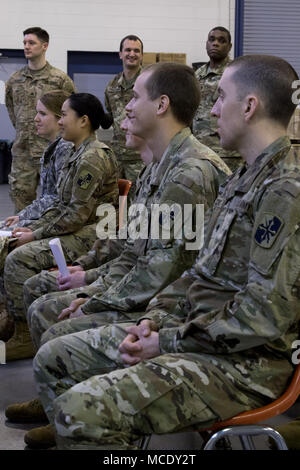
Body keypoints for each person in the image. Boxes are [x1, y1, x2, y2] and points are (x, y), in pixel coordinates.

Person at [25, 54, 300, 450]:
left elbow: (261, 318)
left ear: (250, 106)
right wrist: (154, 322)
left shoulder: (283, 189)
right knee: (56, 358)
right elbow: (197, 275)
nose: (214, 109)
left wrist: (165, 339)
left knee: (77, 410)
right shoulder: (247, 177)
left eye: (221, 97)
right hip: (198, 334)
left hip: (246, 364)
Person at [5, 63, 231, 439]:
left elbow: (162, 274)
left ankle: (74, 413)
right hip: (156, 294)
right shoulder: (160, 167)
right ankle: (60, 405)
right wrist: (91, 281)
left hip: (169, 306)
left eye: (135, 98)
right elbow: (131, 249)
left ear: (161, 105)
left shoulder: (190, 172)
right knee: (49, 304)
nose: (125, 109)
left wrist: (93, 298)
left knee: (54, 314)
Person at [1, 93, 119, 361]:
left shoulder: (92, 157)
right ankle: (12, 319)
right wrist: (30, 226)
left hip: (96, 233)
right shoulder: (76, 152)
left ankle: (23, 337)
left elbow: (76, 215)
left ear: (84, 121)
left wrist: (36, 233)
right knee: (12, 240)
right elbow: (59, 205)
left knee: (19, 258)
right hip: (80, 226)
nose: (61, 121)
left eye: (64, 115)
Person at [0, 89, 72, 340]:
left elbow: (58, 201)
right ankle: (6, 314)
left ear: (58, 118)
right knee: (3, 233)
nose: (35, 119)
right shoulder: (52, 149)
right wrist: (22, 216)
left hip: (64, 225)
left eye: (42, 114)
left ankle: (19, 329)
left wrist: (27, 222)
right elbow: (46, 197)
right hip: (50, 217)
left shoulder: (65, 151)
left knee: (9, 249)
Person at [5, 27, 76, 212]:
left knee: (54, 203)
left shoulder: (60, 80)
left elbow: (72, 112)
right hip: (23, 154)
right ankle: (20, 240)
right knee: (20, 204)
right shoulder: (14, 80)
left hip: (52, 151)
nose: (26, 47)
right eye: (24, 43)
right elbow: (13, 112)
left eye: (32, 43)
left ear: (44, 46)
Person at [192, 26, 242, 171]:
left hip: (226, 153)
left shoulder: (237, 73)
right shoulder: (197, 75)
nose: (215, 44)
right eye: (212, 39)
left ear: (230, 46)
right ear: (206, 43)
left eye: (222, 41)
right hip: (200, 150)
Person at [101, 34, 145, 200]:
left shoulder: (150, 83)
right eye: (127, 50)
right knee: (116, 204)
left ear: (141, 55)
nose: (131, 54)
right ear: (120, 54)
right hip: (118, 158)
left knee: (140, 204)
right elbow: (111, 117)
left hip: (141, 158)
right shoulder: (112, 86)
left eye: (136, 50)